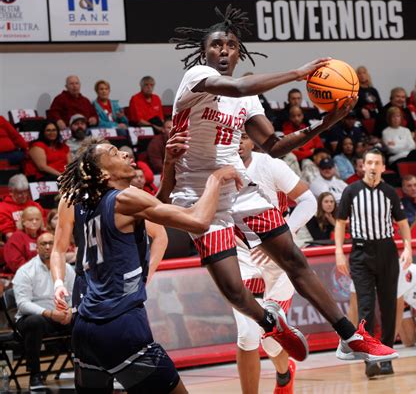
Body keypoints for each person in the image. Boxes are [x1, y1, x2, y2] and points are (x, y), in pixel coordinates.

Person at [168, 5, 397, 366]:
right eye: (216, 45)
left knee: (294, 259)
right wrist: (297, 73)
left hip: (240, 190)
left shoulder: (246, 99)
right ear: (204, 52)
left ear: (238, 51)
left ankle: (351, 335)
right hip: (200, 194)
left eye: (231, 45)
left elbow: (273, 146)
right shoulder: (196, 76)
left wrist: (325, 124)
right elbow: (240, 82)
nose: (224, 51)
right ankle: (271, 323)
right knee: (234, 290)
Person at [52, 137, 243, 393]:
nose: (124, 153)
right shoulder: (124, 200)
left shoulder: (87, 203)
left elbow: (157, 207)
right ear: (103, 173)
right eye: (113, 152)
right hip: (120, 326)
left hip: (85, 327)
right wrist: (216, 178)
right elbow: (198, 221)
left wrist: (168, 164)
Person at [231, 132, 317, 394]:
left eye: (244, 136)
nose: (238, 142)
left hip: (278, 264)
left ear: (252, 140)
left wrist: (282, 236)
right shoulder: (215, 170)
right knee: (247, 336)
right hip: (243, 260)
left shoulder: (270, 165)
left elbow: (309, 202)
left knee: (269, 341)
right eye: (233, 137)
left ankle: (284, 371)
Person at [335, 149, 412, 377]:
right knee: (366, 307)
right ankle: (369, 357)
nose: (371, 166)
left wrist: (408, 247)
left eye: (376, 163)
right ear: (362, 166)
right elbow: (340, 222)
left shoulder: (389, 192)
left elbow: (403, 222)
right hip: (360, 252)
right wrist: (339, 251)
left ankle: (387, 355)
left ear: (382, 167)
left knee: (389, 305)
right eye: (368, 162)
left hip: (387, 250)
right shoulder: (351, 191)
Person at [12, 231, 75, 390]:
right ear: (36, 248)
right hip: (34, 318)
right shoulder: (25, 271)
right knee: (35, 322)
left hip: (61, 315)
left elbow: (75, 296)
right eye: (43, 244)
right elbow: (23, 304)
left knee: (84, 318)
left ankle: (86, 367)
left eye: (51, 243)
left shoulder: (67, 268)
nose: (47, 247)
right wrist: (49, 313)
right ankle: (35, 375)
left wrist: (69, 312)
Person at [0, 174, 44, 240]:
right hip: (17, 242)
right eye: (20, 193)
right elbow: (9, 235)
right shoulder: (2, 208)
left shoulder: (35, 205)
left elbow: (43, 227)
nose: (24, 195)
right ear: (11, 192)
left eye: (25, 191)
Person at [4, 206, 44, 274]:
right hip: (24, 275)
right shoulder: (16, 237)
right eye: (30, 220)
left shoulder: (45, 235)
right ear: (23, 221)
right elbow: (15, 262)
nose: (34, 222)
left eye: (37, 219)